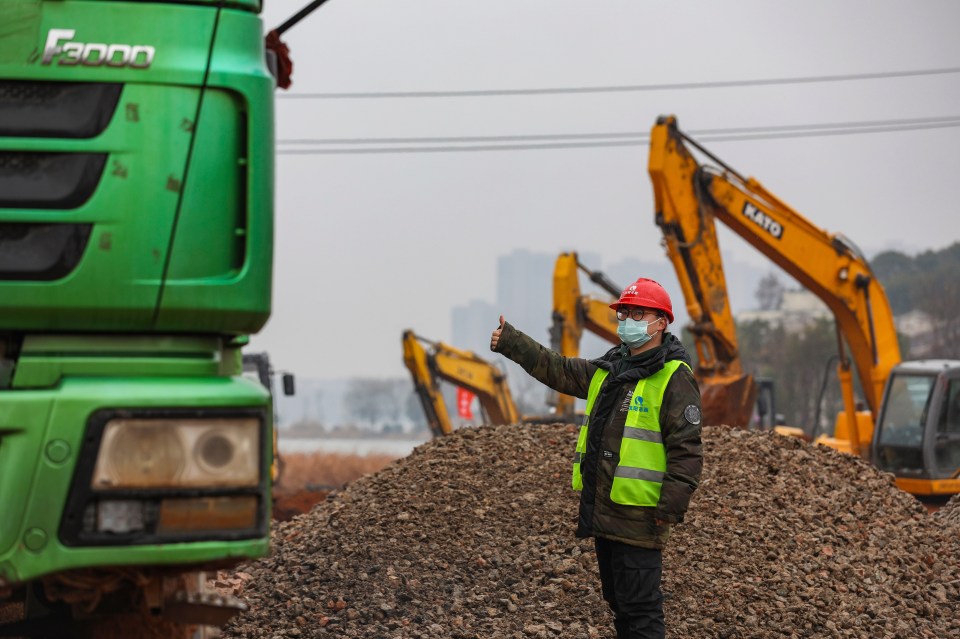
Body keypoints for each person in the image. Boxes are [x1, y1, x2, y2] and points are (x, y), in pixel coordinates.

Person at [490, 277, 702, 639]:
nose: (628, 321)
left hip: (642, 514)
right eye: (624, 314)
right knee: (619, 602)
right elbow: (558, 368)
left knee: (642, 608)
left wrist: (667, 511)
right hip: (605, 510)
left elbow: (687, 450)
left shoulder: (674, 377)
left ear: (662, 322)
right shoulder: (609, 370)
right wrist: (512, 342)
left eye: (639, 313)